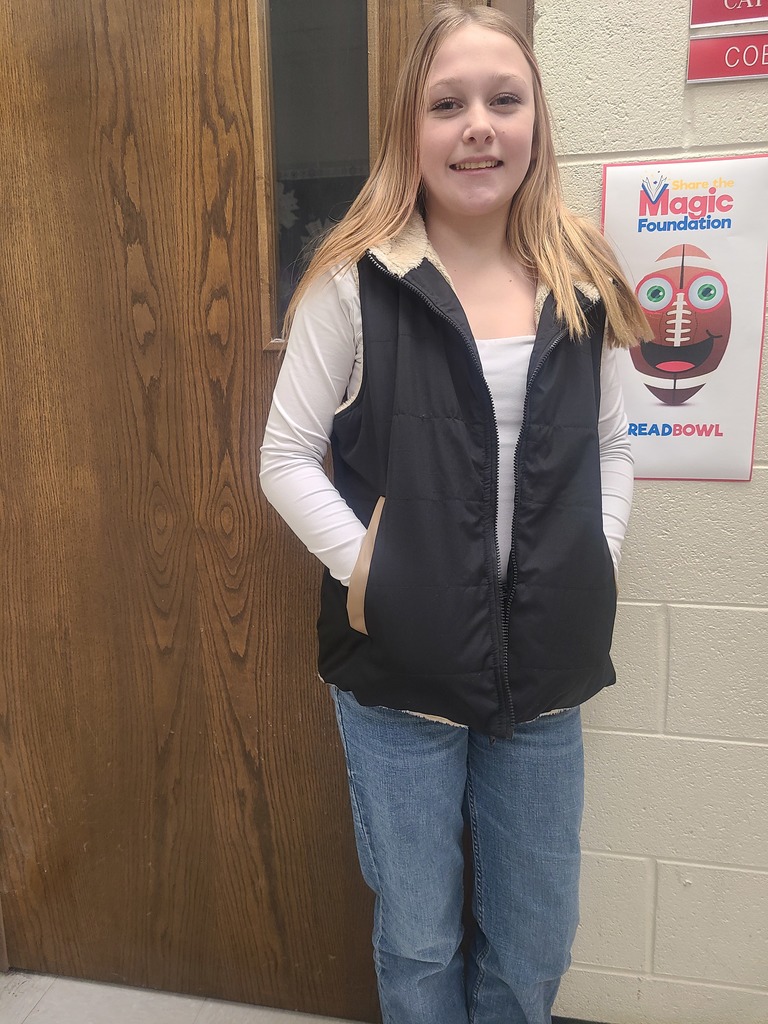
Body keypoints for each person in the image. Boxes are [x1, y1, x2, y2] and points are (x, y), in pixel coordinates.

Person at [260, 5, 649, 1023]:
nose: (478, 123)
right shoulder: (354, 283)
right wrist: (376, 576)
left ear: (536, 122)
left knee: (534, 941)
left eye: (503, 99)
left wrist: (592, 558)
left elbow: (614, 446)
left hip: (543, 677)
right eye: (448, 104)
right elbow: (285, 457)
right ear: (410, 131)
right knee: (422, 939)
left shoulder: (584, 279)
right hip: (398, 683)